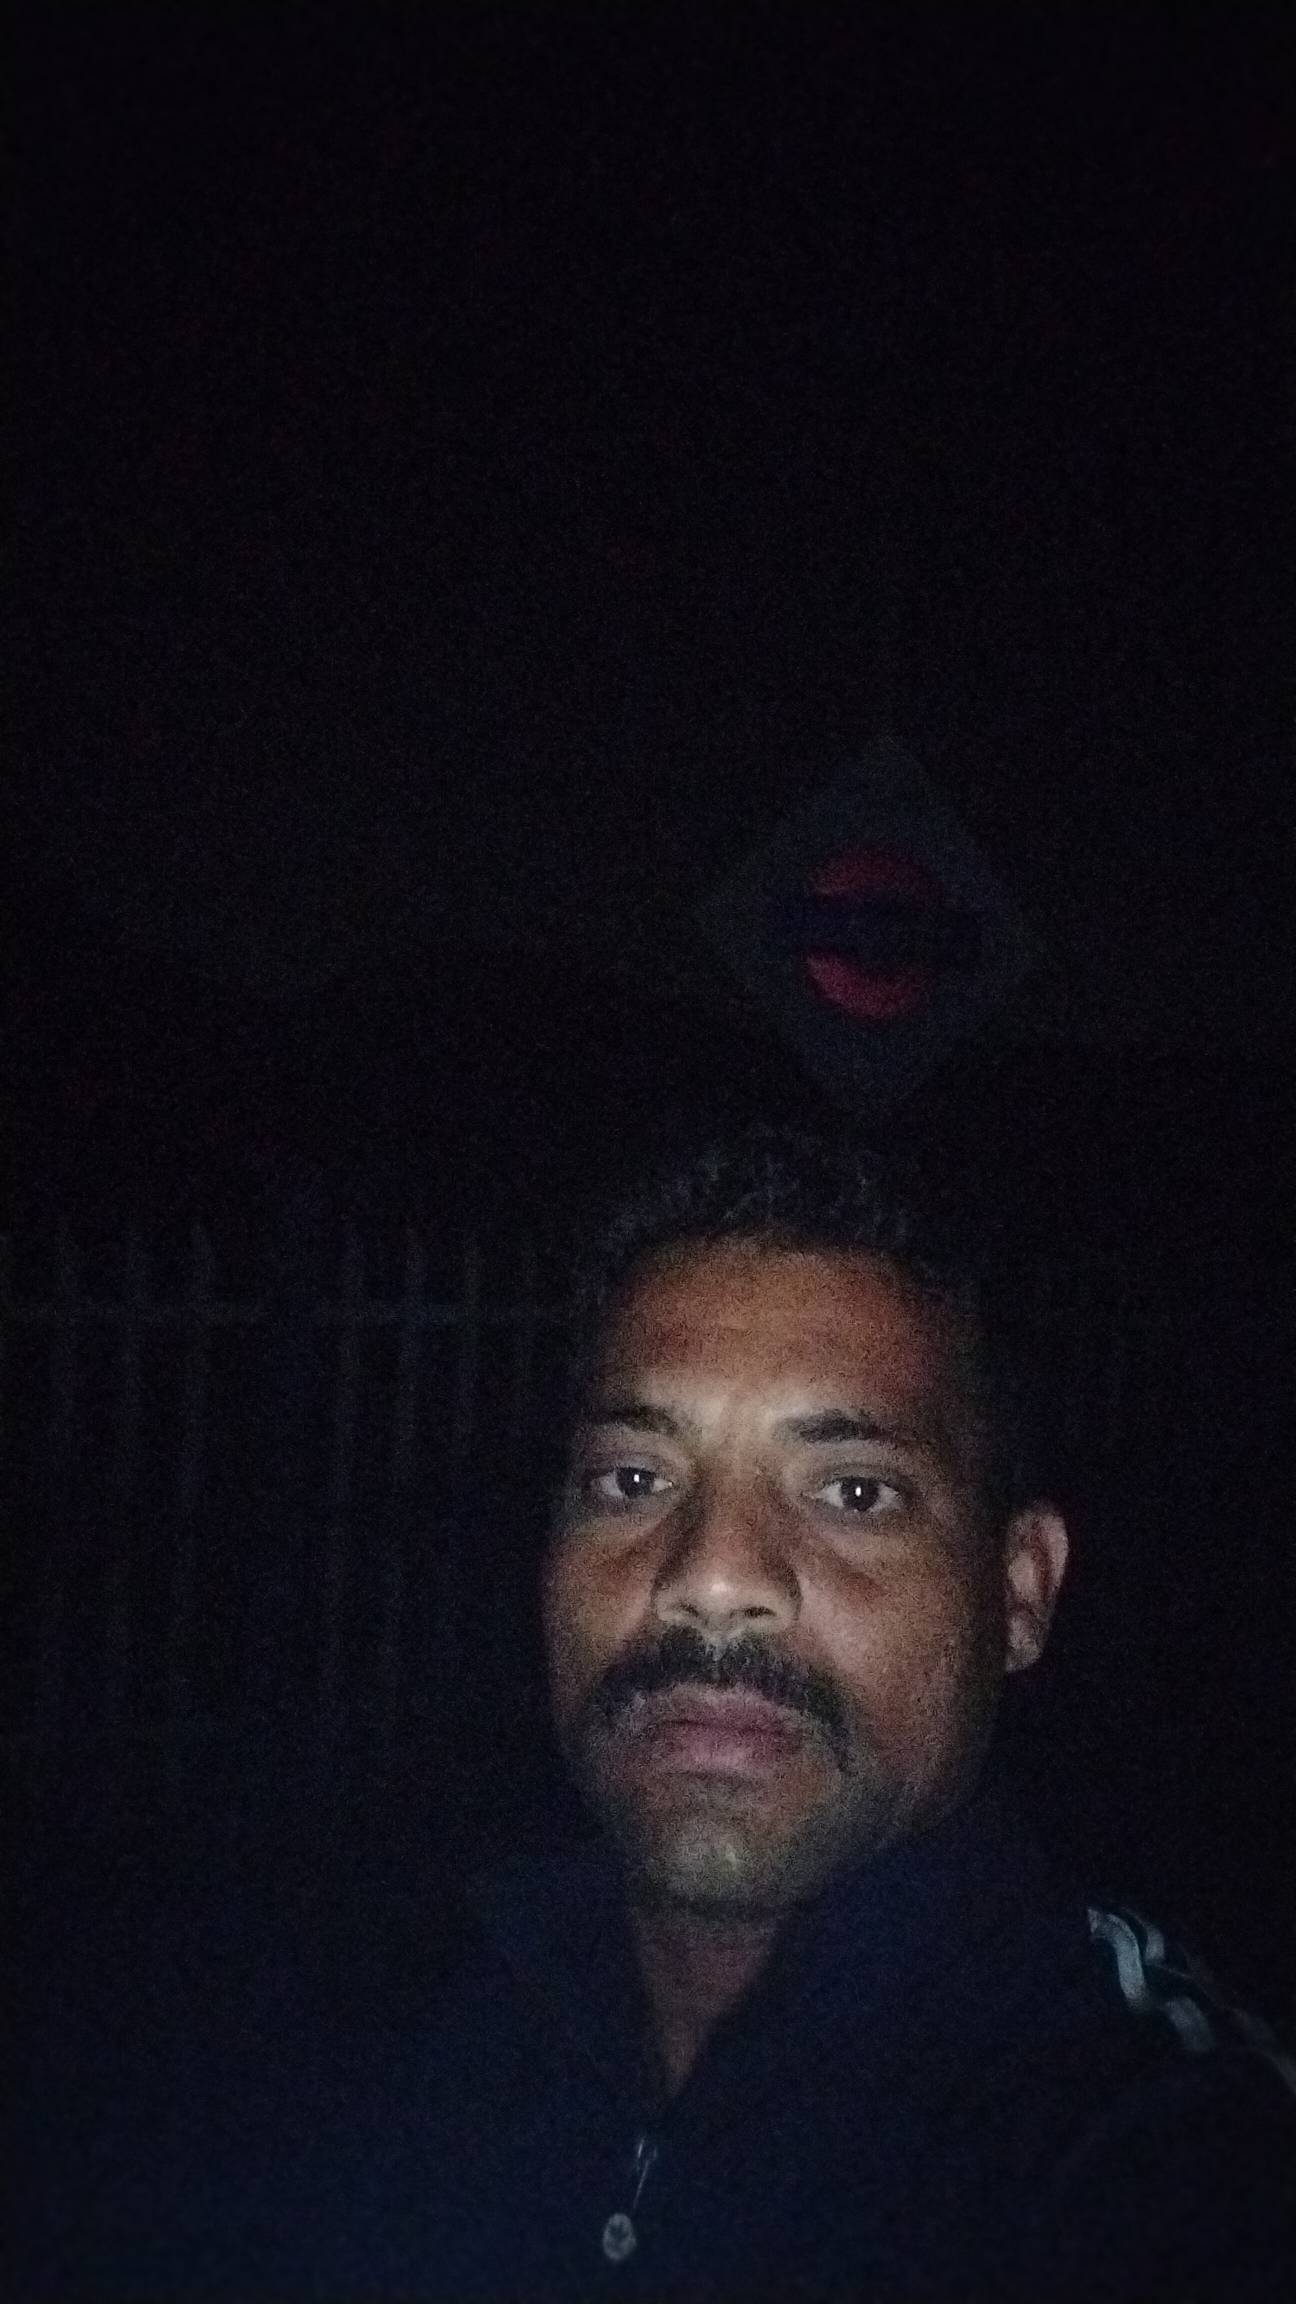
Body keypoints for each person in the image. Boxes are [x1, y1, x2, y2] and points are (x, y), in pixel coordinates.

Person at [16, 1126, 1295, 2300]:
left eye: (853, 1493)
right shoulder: (363, 2018)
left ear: (1017, 1595)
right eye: (633, 1479)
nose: (712, 1577)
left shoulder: (1159, 2152)